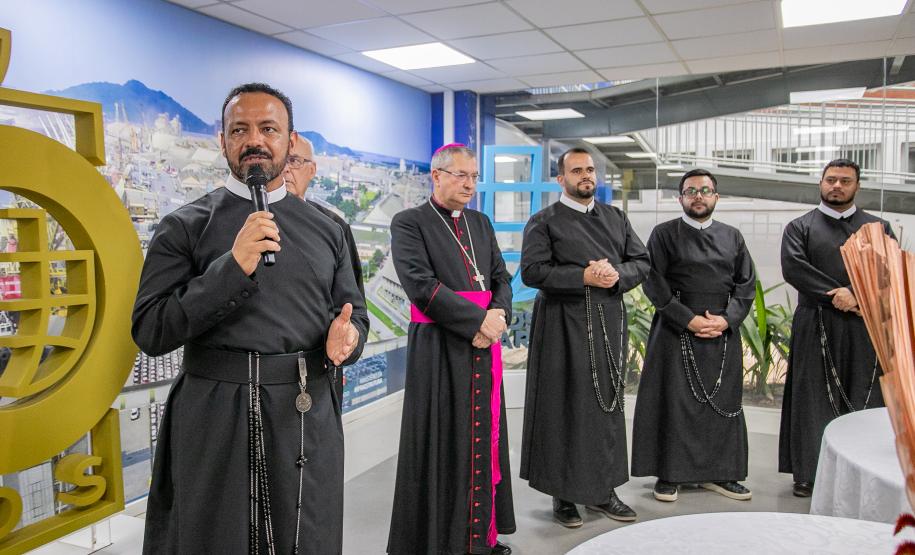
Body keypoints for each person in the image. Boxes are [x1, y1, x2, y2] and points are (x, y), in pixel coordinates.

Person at [132, 83, 368, 554]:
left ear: (288, 140)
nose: (254, 140)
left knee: (306, 538)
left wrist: (351, 337)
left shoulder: (330, 229)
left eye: (268, 129)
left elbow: (353, 311)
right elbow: (151, 330)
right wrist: (231, 267)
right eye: (239, 129)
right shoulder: (184, 226)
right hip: (213, 412)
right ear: (223, 142)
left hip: (304, 410)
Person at [387, 143, 515, 555]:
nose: (469, 185)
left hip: (484, 346)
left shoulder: (480, 222)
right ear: (436, 175)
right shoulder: (410, 223)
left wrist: (497, 316)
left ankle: (481, 536)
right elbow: (421, 286)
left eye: (474, 177)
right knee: (443, 441)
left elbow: (500, 278)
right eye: (461, 175)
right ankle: (442, 540)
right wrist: (478, 322)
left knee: (482, 440)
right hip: (440, 348)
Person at [519, 147, 649, 528]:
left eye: (590, 169)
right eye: (576, 171)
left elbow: (640, 262)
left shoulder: (615, 218)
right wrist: (582, 277)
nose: (585, 176)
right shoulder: (543, 221)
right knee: (564, 410)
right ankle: (563, 496)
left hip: (607, 323)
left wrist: (615, 276)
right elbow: (532, 272)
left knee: (604, 410)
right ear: (561, 179)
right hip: (562, 325)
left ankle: (603, 492)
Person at [631, 168, 755, 503]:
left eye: (704, 190)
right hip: (676, 329)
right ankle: (670, 475)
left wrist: (727, 320)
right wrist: (688, 320)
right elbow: (653, 282)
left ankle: (722, 473)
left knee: (721, 404)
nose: (697, 196)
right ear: (680, 198)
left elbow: (746, 286)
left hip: (721, 331)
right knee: (674, 404)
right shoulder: (664, 234)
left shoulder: (733, 236)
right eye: (690, 191)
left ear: (716, 196)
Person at [779, 158, 894, 497]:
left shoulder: (878, 228)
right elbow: (794, 268)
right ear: (821, 183)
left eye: (845, 180)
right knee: (812, 397)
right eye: (831, 180)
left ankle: (865, 473)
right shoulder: (800, 227)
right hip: (815, 321)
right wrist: (838, 295)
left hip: (864, 323)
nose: (837, 186)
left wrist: (856, 294)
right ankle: (808, 474)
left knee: (865, 394)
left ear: (857, 186)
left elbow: (889, 272)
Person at [285, 136, 364, 296]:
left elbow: (355, 305)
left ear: (312, 170)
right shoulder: (256, 220)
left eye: (294, 161)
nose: (284, 169)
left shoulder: (336, 227)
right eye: (279, 161)